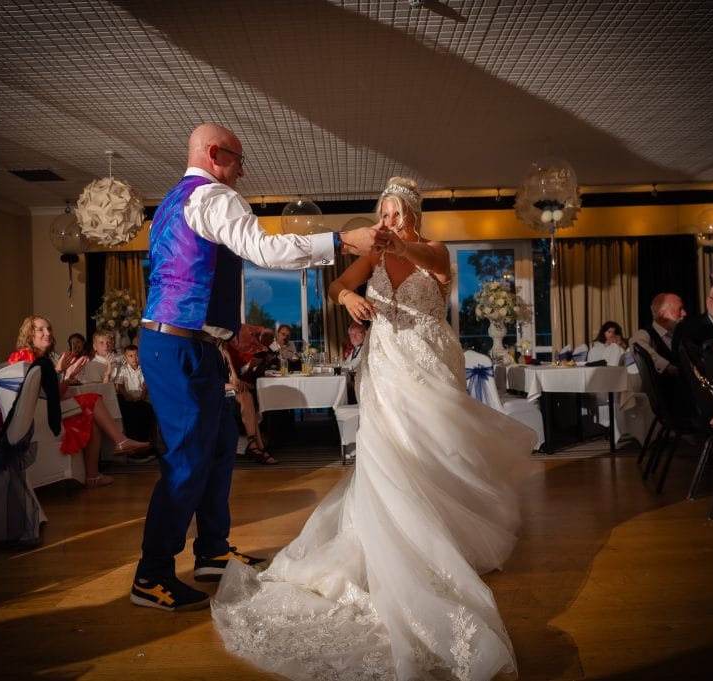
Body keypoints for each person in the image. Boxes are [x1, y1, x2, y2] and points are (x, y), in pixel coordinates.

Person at [211, 177, 538, 680]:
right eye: (381, 215)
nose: (384, 224)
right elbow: (341, 284)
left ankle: (446, 536)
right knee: (390, 449)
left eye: (392, 214)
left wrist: (397, 243)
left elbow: (432, 266)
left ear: (410, 215)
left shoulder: (434, 250)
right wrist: (346, 300)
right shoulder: (377, 259)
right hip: (385, 362)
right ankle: (396, 535)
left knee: (438, 448)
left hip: (430, 357)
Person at [131, 123, 384, 612]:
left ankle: (211, 552)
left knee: (223, 445)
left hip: (189, 342)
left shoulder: (175, 201)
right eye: (238, 159)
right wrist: (341, 241)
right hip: (177, 348)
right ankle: (152, 574)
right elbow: (267, 250)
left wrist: (228, 329)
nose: (243, 171)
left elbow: (183, 277)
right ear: (213, 154)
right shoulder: (214, 197)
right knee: (186, 460)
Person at [8, 315, 149, 488]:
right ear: (29, 335)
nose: (47, 333)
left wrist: (68, 376)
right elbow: (31, 396)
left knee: (94, 420)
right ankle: (119, 440)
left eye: (49, 329)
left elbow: (53, 395)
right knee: (93, 398)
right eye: (40, 329)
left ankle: (93, 475)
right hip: (34, 418)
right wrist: (59, 371)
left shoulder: (43, 359)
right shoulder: (24, 356)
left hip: (46, 410)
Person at [114, 344, 156, 459]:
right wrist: (126, 395)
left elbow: (146, 384)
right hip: (130, 401)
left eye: (136, 355)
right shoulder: (123, 369)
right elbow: (119, 385)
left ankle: (145, 446)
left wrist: (142, 395)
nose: (134, 358)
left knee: (144, 417)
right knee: (131, 419)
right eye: (131, 356)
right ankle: (134, 448)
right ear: (125, 357)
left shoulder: (144, 368)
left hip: (143, 400)